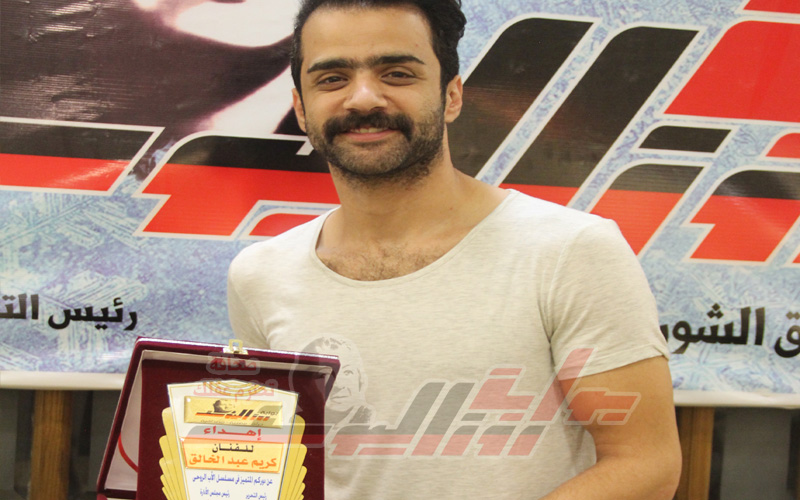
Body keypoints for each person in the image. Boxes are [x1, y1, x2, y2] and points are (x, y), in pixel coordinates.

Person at [227, 0, 682, 498]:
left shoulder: (570, 250)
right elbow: (272, 464)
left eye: (397, 74)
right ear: (300, 108)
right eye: (332, 79)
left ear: (451, 96)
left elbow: (647, 466)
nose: (363, 98)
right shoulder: (260, 274)